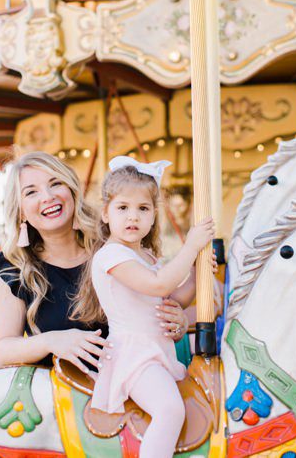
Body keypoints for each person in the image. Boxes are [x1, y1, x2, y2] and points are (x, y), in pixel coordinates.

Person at [0, 151, 189, 374]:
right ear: (20, 212)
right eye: (31, 192)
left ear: (72, 190)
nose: (47, 196)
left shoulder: (114, 248)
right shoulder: (15, 269)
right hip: (62, 396)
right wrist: (51, 341)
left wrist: (177, 322)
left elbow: (159, 300)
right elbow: (0, 350)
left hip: (133, 377)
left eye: (55, 183)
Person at [73, 156, 215, 458]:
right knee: (169, 410)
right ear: (107, 213)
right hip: (134, 355)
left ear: (153, 217)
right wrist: (190, 248)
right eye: (123, 208)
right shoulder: (111, 256)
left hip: (156, 352)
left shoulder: (148, 257)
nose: (132, 217)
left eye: (142, 209)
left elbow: (176, 299)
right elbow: (159, 286)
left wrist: (200, 270)